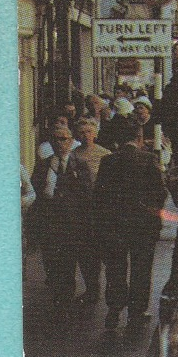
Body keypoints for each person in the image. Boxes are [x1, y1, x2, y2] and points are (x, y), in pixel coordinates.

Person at [93, 123, 166, 331]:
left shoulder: (108, 161)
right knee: (141, 270)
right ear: (140, 138)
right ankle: (136, 312)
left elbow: (99, 195)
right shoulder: (148, 160)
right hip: (143, 227)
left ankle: (114, 309)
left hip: (115, 226)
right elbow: (160, 193)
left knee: (116, 269)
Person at [63, 117, 112, 306]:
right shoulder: (74, 155)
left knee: (103, 250)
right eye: (82, 132)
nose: (86, 136)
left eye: (89, 132)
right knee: (85, 251)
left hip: (102, 208)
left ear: (96, 133)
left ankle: (105, 288)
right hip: (83, 209)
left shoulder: (105, 154)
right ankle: (92, 288)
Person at [30, 122, 80, 304]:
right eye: (55, 140)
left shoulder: (78, 165)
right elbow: (35, 192)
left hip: (70, 222)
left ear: (71, 141)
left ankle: (65, 296)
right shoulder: (43, 165)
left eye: (63, 139)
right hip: (48, 220)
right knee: (50, 260)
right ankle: (58, 290)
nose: (59, 143)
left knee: (67, 261)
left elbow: (85, 194)